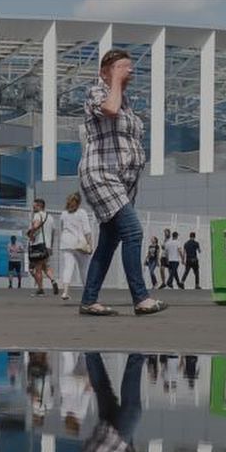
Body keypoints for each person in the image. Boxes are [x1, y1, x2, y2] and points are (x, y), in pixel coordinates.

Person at [77, 49, 165, 317]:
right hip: (101, 174)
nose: (130, 71)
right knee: (133, 232)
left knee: (109, 241)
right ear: (105, 72)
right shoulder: (98, 92)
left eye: (130, 67)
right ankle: (141, 298)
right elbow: (109, 110)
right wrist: (114, 79)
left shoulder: (126, 102)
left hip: (122, 182)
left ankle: (89, 300)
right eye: (122, 67)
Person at [55, 194, 95, 302]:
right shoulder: (82, 212)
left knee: (68, 267)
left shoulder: (64, 214)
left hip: (66, 243)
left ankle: (65, 292)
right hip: (79, 243)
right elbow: (87, 230)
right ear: (79, 202)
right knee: (84, 269)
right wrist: (90, 245)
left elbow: (62, 228)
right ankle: (88, 293)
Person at [27, 198, 56, 296]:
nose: (33, 208)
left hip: (38, 245)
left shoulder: (37, 215)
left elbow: (35, 226)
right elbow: (53, 232)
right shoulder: (50, 217)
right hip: (47, 246)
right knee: (46, 266)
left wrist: (31, 234)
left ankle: (40, 289)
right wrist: (51, 246)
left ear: (39, 206)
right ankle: (53, 280)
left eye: (34, 206)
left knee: (37, 268)